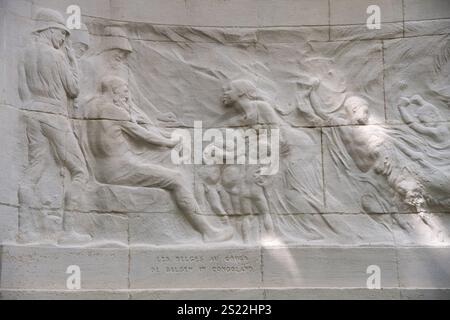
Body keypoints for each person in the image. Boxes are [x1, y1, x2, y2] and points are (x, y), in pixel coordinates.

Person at [84, 76, 233, 242]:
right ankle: (208, 231)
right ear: (114, 91)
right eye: (125, 91)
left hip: (101, 168)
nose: (127, 95)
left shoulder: (91, 107)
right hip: (120, 168)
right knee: (177, 178)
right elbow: (144, 136)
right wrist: (170, 142)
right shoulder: (114, 111)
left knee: (167, 161)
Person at [18, 8, 89, 201]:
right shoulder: (58, 56)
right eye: (61, 33)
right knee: (80, 171)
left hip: (32, 113)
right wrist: (73, 61)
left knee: (35, 168)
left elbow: (22, 89)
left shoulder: (24, 54)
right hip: (54, 115)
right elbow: (73, 89)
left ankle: (25, 228)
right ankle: (69, 228)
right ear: (49, 30)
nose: (63, 39)